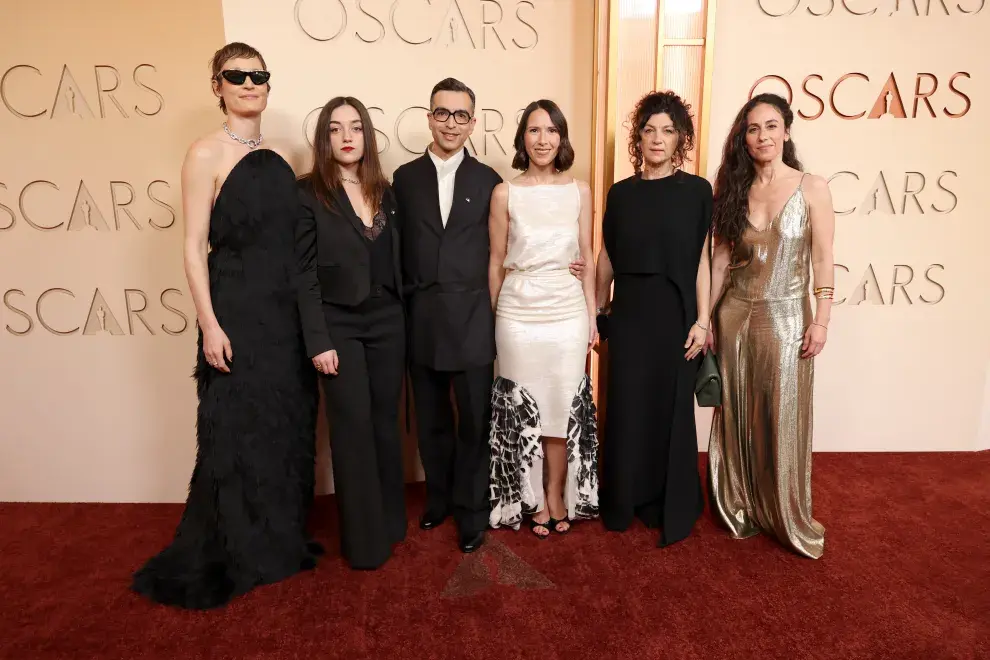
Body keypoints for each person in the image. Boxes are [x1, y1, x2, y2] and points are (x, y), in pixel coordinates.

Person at [132, 43, 321, 609]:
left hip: (283, 316)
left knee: (284, 426)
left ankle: (276, 543)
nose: (248, 83)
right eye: (235, 76)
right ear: (217, 85)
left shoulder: (285, 152)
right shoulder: (204, 154)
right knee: (234, 431)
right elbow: (193, 249)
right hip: (234, 310)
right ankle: (237, 549)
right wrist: (209, 324)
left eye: (258, 75)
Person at [392, 78, 585, 553]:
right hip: (422, 315)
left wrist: (564, 261)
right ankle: (439, 499)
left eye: (461, 115)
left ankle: (473, 511)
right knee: (431, 418)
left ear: (473, 123)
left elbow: (503, 252)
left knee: (477, 420)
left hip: (474, 315)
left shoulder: (488, 181)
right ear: (429, 116)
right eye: (442, 113)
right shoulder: (403, 178)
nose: (451, 123)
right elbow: (396, 251)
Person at [706, 93, 835, 559]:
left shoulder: (812, 187)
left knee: (781, 415)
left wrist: (821, 320)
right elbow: (720, 261)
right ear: (745, 137)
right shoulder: (734, 188)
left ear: (786, 131)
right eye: (753, 128)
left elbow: (823, 258)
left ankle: (783, 511)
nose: (762, 136)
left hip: (786, 317)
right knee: (736, 411)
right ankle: (739, 503)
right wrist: (707, 317)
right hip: (735, 314)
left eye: (771, 126)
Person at [595, 90, 713, 547]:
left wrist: (702, 320)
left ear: (680, 137)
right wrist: (597, 309)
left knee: (670, 409)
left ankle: (669, 502)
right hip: (628, 315)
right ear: (637, 137)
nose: (657, 139)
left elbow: (702, 260)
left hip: (676, 316)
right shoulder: (621, 194)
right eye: (649, 130)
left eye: (667, 131)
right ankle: (626, 498)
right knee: (627, 408)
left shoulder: (698, 191)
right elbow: (608, 255)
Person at [296, 97, 406, 570]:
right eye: (336, 128)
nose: (346, 136)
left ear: (367, 137)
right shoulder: (307, 193)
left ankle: (389, 523)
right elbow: (302, 275)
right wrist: (317, 339)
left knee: (385, 424)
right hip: (338, 324)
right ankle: (365, 544)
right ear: (324, 137)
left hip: (388, 321)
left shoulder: (386, 190)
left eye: (356, 127)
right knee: (352, 429)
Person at [487, 99, 599, 537]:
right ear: (522, 138)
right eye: (534, 131)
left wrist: (591, 316)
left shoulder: (580, 190)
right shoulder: (505, 193)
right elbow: (496, 261)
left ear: (562, 137)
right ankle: (526, 497)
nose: (543, 139)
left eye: (551, 130)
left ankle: (556, 495)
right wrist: (497, 316)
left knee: (561, 407)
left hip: (567, 309)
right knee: (521, 411)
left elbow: (587, 257)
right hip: (517, 311)